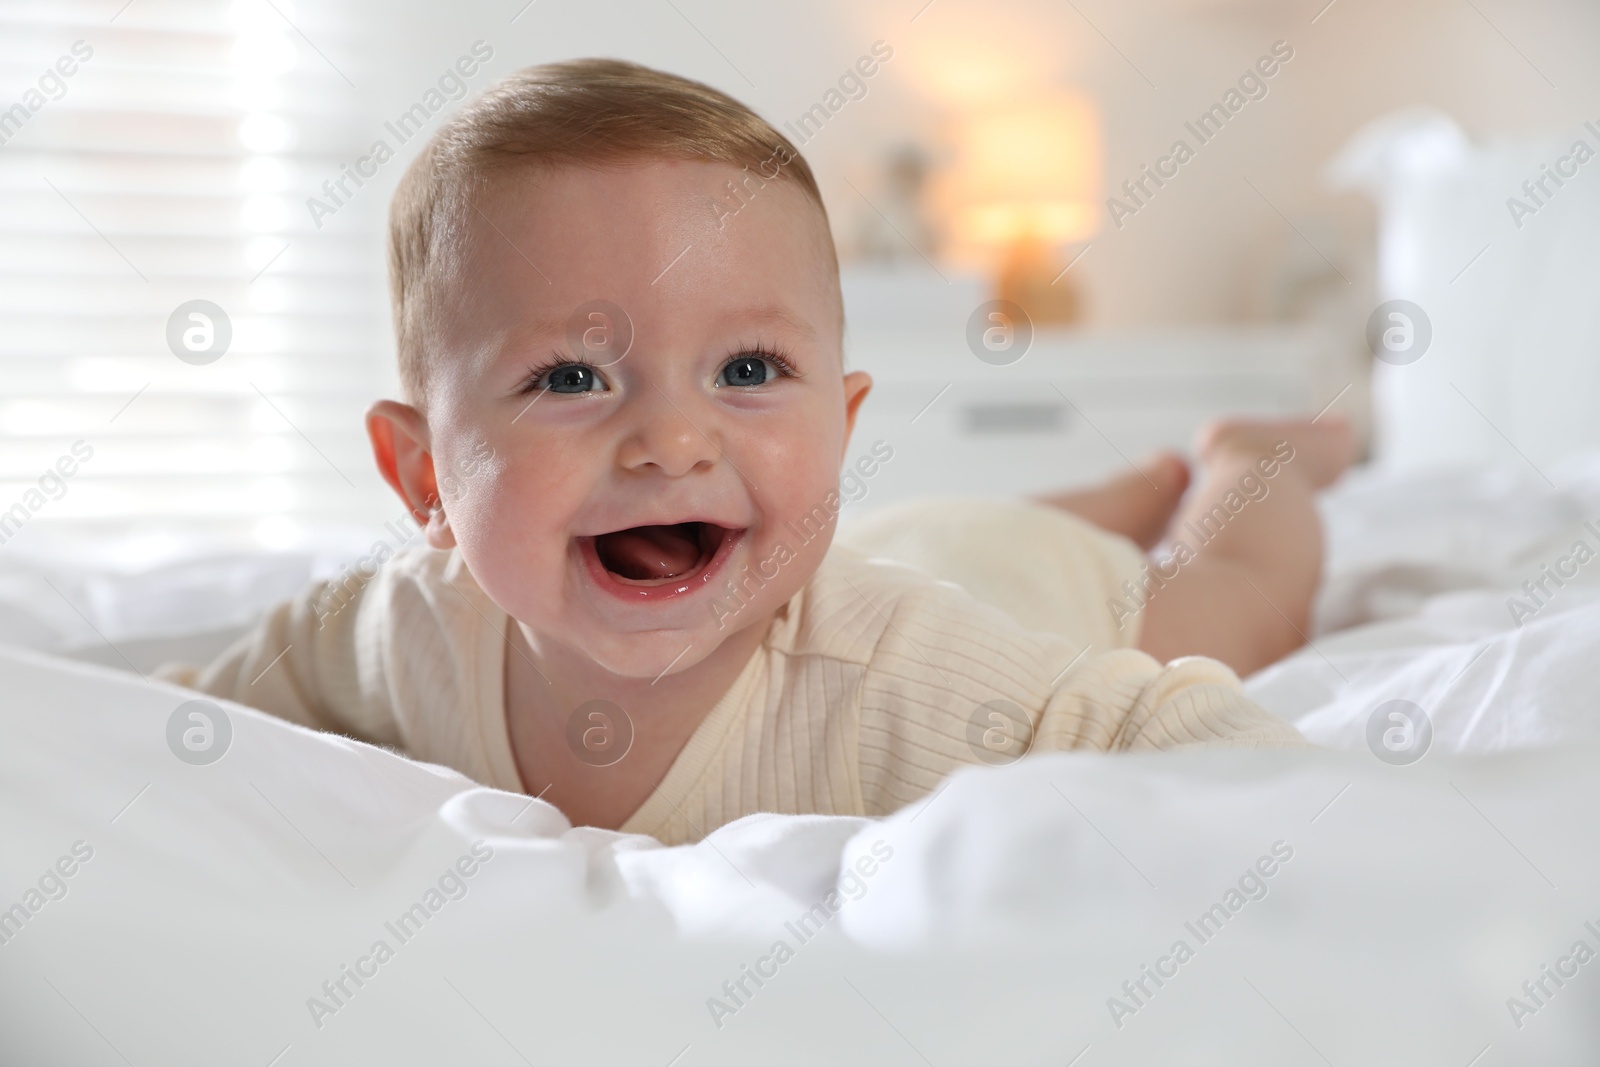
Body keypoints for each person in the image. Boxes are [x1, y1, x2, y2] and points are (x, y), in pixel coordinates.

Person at [160, 59, 1353, 846]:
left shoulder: (923, 684)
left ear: (839, 422)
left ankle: (1248, 458)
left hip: (1023, 586)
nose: (673, 439)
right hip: (909, 546)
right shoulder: (399, 631)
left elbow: (1207, 749)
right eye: (572, 378)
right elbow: (201, 712)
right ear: (423, 479)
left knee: (1237, 590)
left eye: (746, 372)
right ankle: (1129, 485)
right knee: (948, 532)